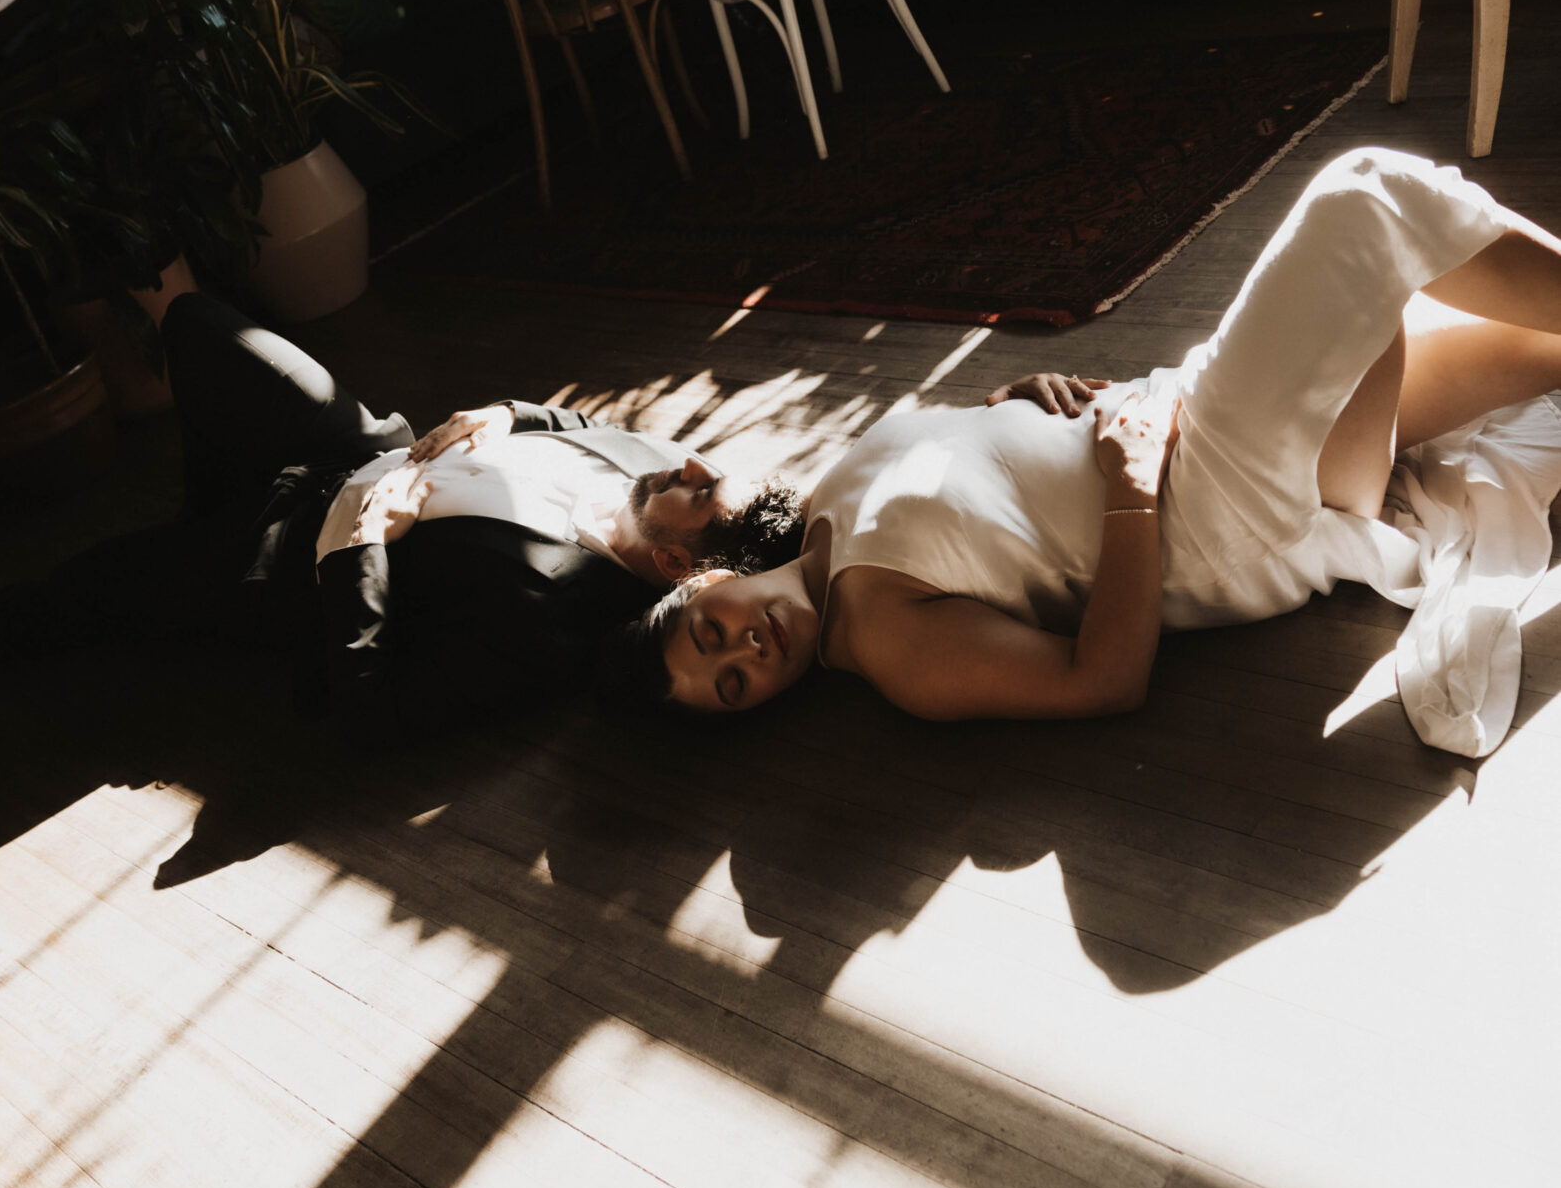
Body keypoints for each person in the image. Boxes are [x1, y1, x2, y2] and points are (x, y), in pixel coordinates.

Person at [602, 148, 1561, 760]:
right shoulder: (889, 647)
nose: (746, 652)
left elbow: (969, 476)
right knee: (1367, 203)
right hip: (1223, 501)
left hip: (1182, 413)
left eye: (709, 634)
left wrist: (1023, 400)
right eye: (735, 686)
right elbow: (1100, 683)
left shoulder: (823, 506)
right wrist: (1130, 489)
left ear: (706, 587)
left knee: (1531, 345)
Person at [0, 293, 805, 741]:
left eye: (696, 488)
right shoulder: (654, 475)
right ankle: (213, 495)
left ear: (683, 567)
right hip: (356, 444)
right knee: (193, 325)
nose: (681, 461)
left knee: (73, 598)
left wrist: (361, 547)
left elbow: (366, 706)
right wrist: (510, 414)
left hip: (287, 554)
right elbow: (585, 422)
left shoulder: (546, 626)